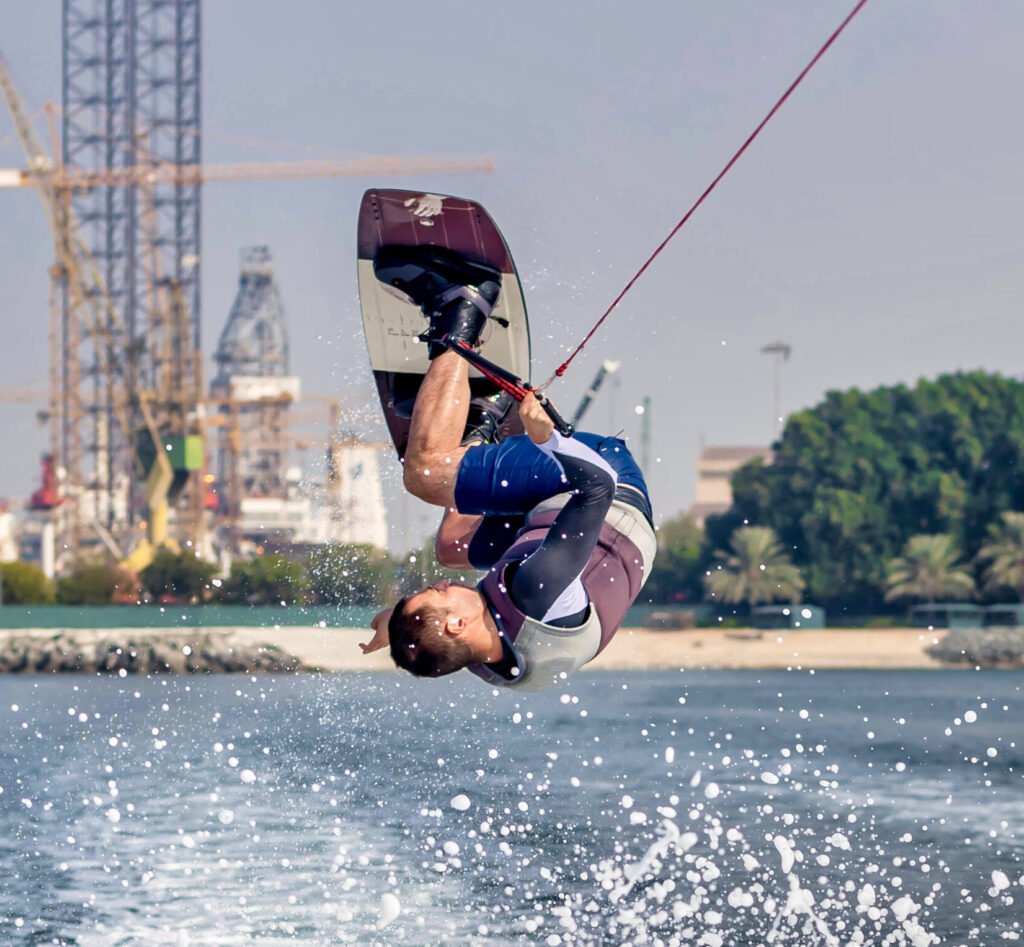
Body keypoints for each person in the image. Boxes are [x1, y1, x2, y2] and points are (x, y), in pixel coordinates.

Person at [359, 245, 656, 691]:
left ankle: (480, 421)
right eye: (437, 593)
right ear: (458, 623)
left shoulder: (490, 658)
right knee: (425, 473)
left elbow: (439, 647)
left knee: (452, 547)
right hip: (604, 484)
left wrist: (406, 628)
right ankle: (462, 306)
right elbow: (596, 487)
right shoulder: (538, 589)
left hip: (557, 524)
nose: (440, 584)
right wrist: (545, 437)